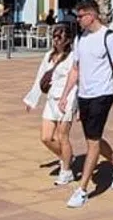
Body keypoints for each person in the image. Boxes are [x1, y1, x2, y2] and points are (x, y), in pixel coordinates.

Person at [57, 0, 113, 209]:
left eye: (81, 16)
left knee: (92, 141)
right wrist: (65, 95)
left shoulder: (109, 37)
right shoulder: (80, 39)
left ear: (92, 16)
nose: (78, 20)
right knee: (94, 138)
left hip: (103, 94)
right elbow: (75, 70)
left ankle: (82, 190)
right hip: (84, 95)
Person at [22, 24, 80, 184]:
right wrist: (32, 99)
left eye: (59, 37)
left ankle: (66, 171)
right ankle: (67, 157)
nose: (56, 40)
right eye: (54, 36)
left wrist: (79, 107)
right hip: (51, 99)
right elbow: (40, 77)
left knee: (62, 137)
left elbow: (79, 81)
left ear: (68, 39)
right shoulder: (48, 55)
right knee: (46, 137)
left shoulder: (73, 57)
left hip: (67, 99)